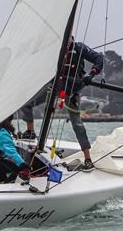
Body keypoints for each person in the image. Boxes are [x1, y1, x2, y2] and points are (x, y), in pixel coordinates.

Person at [18, 35, 103, 170]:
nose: (66, 43)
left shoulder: (79, 48)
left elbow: (99, 58)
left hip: (72, 89)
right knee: (27, 104)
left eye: (68, 40)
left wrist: (91, 74)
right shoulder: (55, 49)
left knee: (77, 124)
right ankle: (30, 132)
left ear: (72, 39)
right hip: (55, 86)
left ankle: (88, 159)